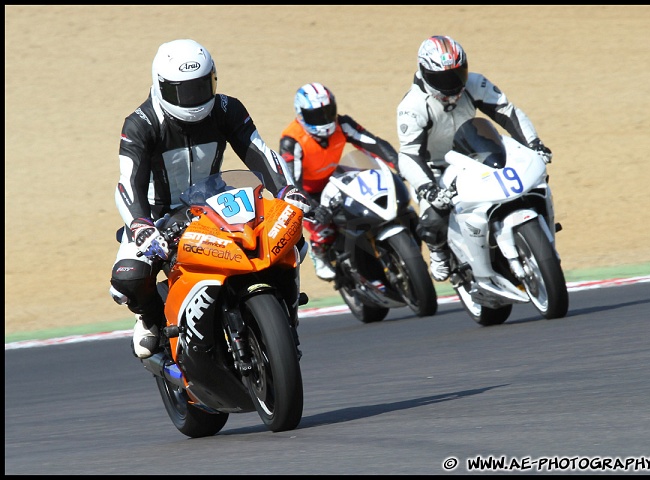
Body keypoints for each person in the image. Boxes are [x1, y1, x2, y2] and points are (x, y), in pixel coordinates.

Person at [109, 39, 311, 359]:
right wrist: (140, 224)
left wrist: (287, 190)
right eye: (184, 92)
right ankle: (149, 319)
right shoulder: (141, 124)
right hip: (158, 216)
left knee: (290, 237)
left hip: (214, 200)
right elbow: (127, 183)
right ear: (161, 86)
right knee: (129, 277)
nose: (194, 100)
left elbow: (258, 151)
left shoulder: (227, 108)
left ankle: (285, 313)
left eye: (202, 87)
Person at [396, 35, 553, 282]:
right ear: (425, 73)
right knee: (433, 219)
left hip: (476, 153)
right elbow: (408, 154)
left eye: (457, 74)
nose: (452, 84)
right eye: (443, 78)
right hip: (436, 169)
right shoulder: (413, 106)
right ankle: (438, 252)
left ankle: (537, 232)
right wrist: (428, 188)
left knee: (529, 179)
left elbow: (506, 112)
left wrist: (534, 144)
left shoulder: (475, 83)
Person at [279, 82, 399, 281]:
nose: (324, 120)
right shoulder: (292, 140)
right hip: (309, 193)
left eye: (327, 112)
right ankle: (319, 252)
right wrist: (313, 207)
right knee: (323, 229)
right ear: (301, 115)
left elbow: (373, 142)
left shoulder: (342, 124)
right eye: (316, 115)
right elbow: (292, 182)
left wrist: (398, 163)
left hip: (337, 179)